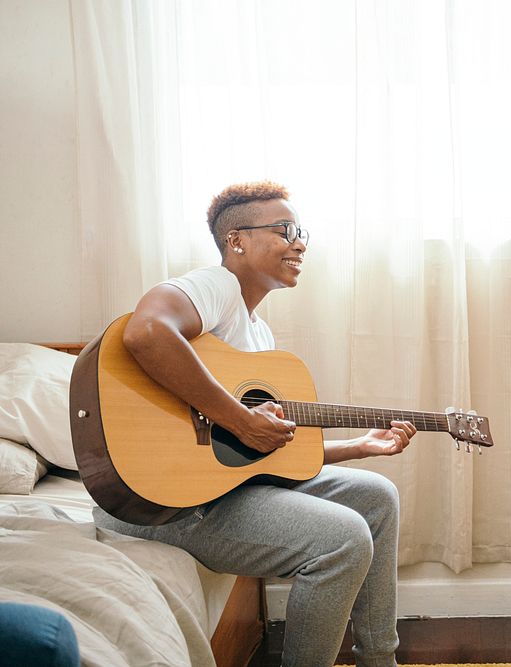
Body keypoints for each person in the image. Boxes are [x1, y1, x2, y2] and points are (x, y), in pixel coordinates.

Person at [93, 181, 415, 667]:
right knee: (342, 537)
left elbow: (256, 456)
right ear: (236, 240)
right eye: (285, 231)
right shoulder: (215, 286)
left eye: (300, 232)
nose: (300, 243)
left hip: (223, 489)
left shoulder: (257, 334)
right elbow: (146, 331)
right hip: (163, 502)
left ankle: (378, 659)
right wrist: (240, 418)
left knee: (376, 496)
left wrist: (359, 445)